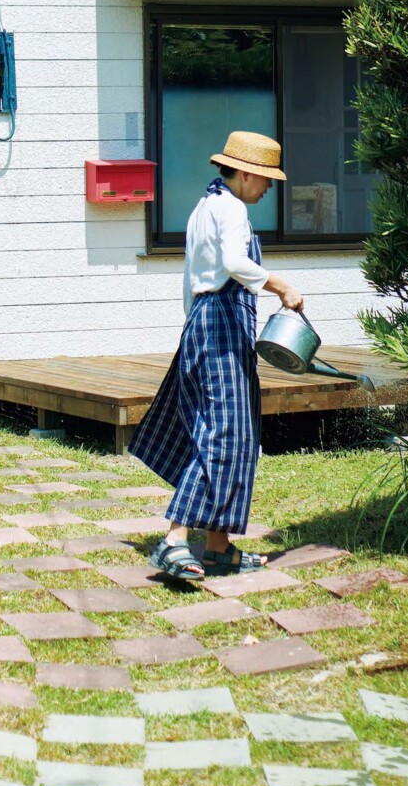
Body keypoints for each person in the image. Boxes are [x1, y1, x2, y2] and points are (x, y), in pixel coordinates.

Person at [130, 130, 304, 583]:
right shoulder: (230, 209)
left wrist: (196, 326)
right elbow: (233, 263)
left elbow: (191, 278)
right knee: (224, 433)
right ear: (245, 174)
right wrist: (280, 285)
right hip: (221, 325)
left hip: (205, 323)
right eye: (265, 179)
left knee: (232, 432)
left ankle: (219, 548)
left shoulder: (205, 206)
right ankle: (173, 541)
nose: (269, 188)